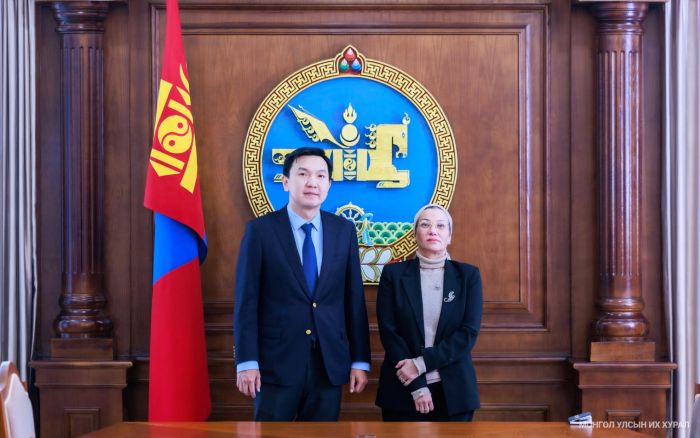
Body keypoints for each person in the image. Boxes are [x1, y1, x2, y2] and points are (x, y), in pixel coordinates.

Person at [234, 147, 371, 421]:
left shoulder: (343, 231)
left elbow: (353, 300)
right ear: (286, 182)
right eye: (303, 174)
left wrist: (360, 359)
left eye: (321, 176)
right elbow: (246, 301)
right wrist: (246, 361)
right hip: (274, 365)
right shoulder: (260, 231)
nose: (312, 182)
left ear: (329, 185)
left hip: (328, 363)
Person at [375, 204, 483, 421]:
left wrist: (420, 364)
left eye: (440, 226)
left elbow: (467, 333)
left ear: (449, 236)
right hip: (402, 389)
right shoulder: (393, 275)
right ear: (415, 234)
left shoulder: (468, 276)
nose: (433, 230)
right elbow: (389, 333)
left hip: (454, 391)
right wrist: (417, 385)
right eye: (425, 225)